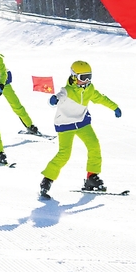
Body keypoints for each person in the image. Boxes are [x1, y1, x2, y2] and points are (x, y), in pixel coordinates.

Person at [38, 61, 122, 199]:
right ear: (74, 76)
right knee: (64, 154)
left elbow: (101, 98)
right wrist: (52, 100)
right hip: (65, 125)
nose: (87, 81)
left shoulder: (89, 89)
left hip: (82, 122)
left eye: (89, 76)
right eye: (83, 77)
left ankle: (92, 177)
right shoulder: (67, 91)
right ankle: (47, 179)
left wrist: (114, 107)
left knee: (94, 146)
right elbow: (56, 99)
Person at [0, 35, 40, 142]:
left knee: (16, 105)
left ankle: (30, 126)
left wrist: (1, 85)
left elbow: (3, 73)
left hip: (4, 84)